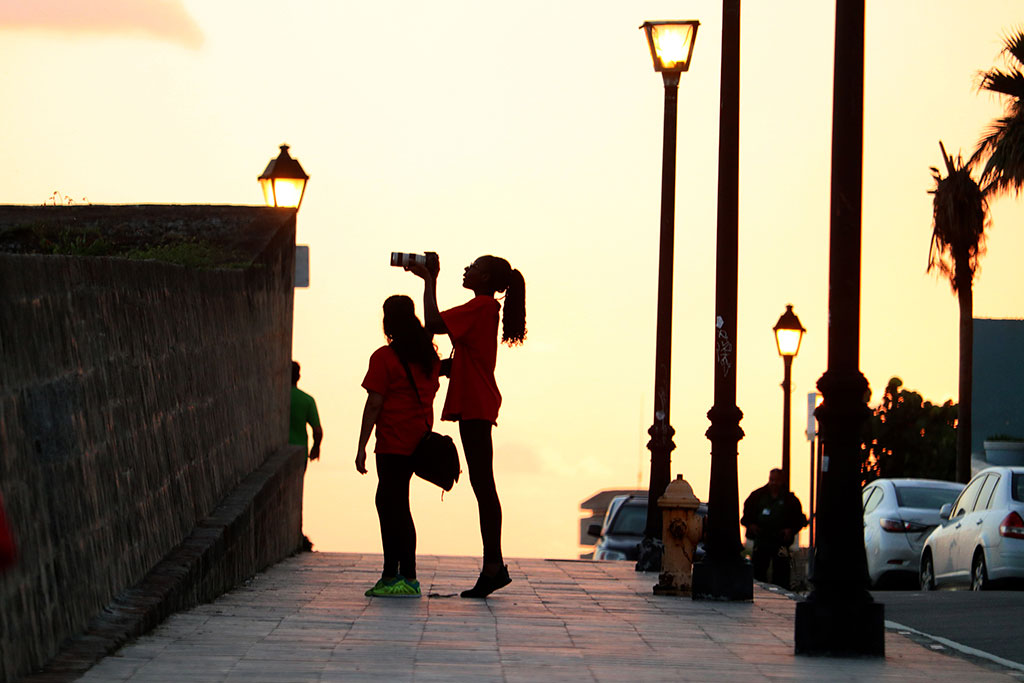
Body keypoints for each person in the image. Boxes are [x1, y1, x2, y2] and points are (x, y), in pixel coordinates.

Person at [408, 253, 526, 598]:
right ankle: (493, 565)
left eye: (473, 267)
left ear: (486, 278)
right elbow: (468, 359)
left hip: (476, 404)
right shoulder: (484, 309)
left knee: (484, 486)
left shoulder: (481, 307)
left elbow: (431, 322)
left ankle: (494, 566)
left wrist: (430, 280)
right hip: (477, 402)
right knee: (482, 485)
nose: (466, 270)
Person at [356, 295, 441, 598]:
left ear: (388, 321)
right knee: (394, 505)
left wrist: (361, 445)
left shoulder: (384, 357)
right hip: (417, 442)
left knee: (393, 508)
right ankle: (397, 574)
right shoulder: (428, 358)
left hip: (392, 443)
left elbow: (374, 404)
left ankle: (401, 576)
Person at [741, 468, 807, 589]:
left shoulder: (790, 499)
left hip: (780, 541)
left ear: (782, 481)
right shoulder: (757, 496)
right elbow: (746, 516)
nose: (774, 483)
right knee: (758, 571)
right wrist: (751, 526)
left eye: (777, 480)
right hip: (761, 540)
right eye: (772, 480)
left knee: (781, 573)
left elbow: (798, 520)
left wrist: (790, 530)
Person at [290, 361, 323, 461]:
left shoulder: (276, 398)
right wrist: (316, 447)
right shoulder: (307, 400)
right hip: (299, 453)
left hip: (275, 452)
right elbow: (317, 430)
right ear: (298, 377)